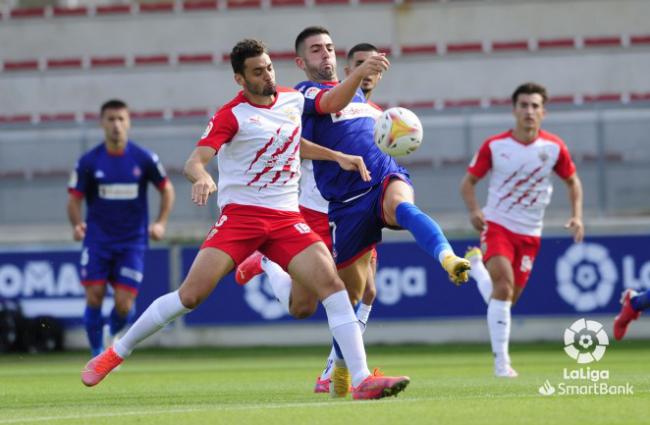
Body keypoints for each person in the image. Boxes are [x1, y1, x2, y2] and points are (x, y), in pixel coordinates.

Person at [80, 39, 410, 400]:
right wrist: (203, 177)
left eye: (269, 67)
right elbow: (195, 161)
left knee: (333, 289)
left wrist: (336, 156)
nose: (267, 75)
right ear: (240, 79)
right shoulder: (231, 115)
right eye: (257, 71)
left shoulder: (291, 99)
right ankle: (116, 352)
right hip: (242, 218)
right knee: (190, 296)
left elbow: (294, 138)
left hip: (286, 218)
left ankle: (361, 379)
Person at [292, 26, 471, 397]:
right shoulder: (304, 93)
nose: (324, 54)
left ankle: (448, 256)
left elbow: (374, 127)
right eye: (316, 50)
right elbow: (330, 105)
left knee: (402, 204)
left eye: (328, 46)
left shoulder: (370, 106)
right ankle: (339, 368)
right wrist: (360, 71)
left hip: (383, 177)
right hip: (345, 204)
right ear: (302, 61)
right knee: (350, 293)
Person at [235, 42, 385, 395]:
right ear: (350, 71)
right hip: (316, 209)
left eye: (330, 49)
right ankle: (268, 263)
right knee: (302, 307)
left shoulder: (376, 113)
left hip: (356, 208)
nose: (368, 71)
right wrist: (337, 157)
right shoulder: (306, 97)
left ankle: (332, 371)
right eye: (360, 65)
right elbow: (295, 136)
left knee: (366, 291)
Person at [460, 82, 584, 377]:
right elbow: (467, 184)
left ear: (544, 111)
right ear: (514, 110)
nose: (529, 111)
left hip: (531, 233)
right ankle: (502, 363)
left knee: (506, 298)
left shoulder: (553, 147)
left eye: (535, 106)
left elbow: (573, 182)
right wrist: (475, 211)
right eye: (524, 105)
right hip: (498, 225)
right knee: (503, 287)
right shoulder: (495, 145)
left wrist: (577, 216)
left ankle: (476, 268)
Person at [67, 99, 175, 357]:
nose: (116, 125)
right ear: (102, 123)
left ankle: (110, 334)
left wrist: (160, 223)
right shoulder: (89, 162)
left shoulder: (144, 158)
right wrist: (76, 224)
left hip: (132, 241)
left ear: (129, 123)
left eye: (121, 119)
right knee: (94, 296)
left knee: (124, 307)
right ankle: (97, 353)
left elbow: (167, 190)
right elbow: (74, 198)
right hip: (97, 240)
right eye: (111, 119)